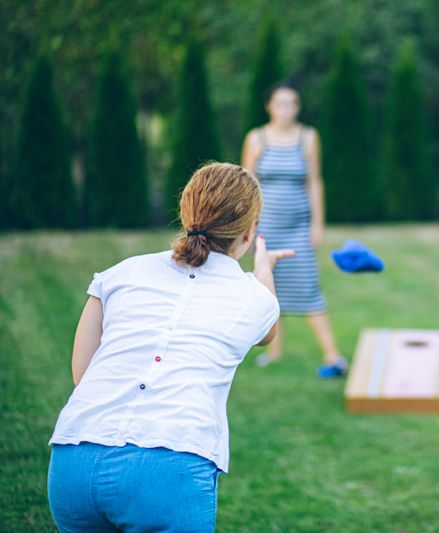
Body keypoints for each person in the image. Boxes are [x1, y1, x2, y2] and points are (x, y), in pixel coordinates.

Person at [48, 163, 293, 531]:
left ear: (186, 212)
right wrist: (264, 266)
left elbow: (84, 375)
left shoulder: (118, 275)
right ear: (248, 232)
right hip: (170, 465)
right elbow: (267, 329)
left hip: (73, 461)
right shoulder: (254, 298)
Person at [241, 81, 347, 377]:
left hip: (298, 226)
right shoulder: (257, 138)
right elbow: (246, 184)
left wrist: (317, 224)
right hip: (267, 226)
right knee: (270, 288)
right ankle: (274, 351)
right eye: (281, 103)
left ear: (298, 107)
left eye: (292, 103)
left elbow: (314, 182)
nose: (287, 109)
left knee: (308, 288)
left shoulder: (309, 137)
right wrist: (248, 227)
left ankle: (332, 355)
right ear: (269, 106)